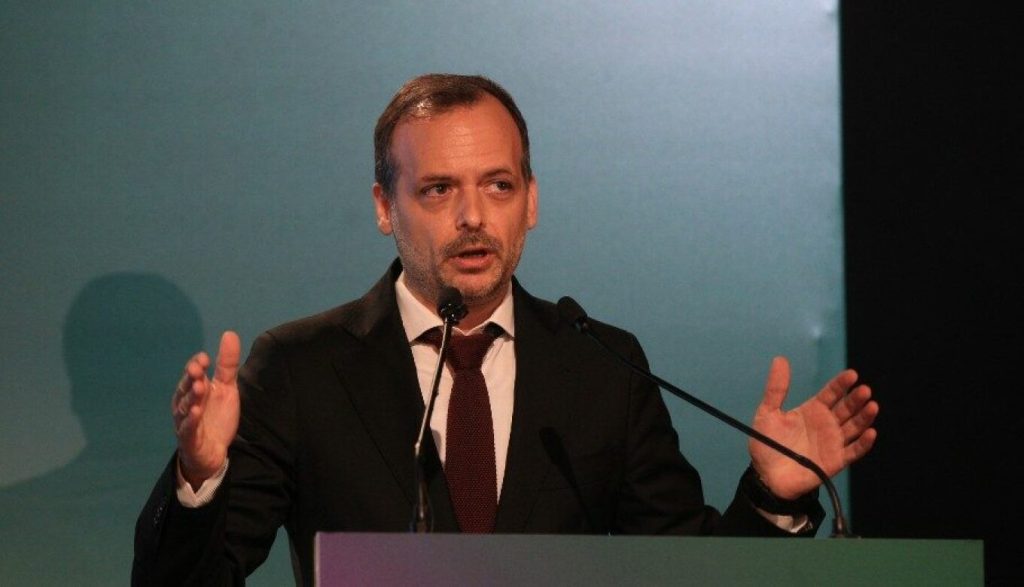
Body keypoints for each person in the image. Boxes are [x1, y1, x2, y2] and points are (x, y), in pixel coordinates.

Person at [132, 74, 879, 586]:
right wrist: (200, 479)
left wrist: (774, 496)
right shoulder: (302, 368)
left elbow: (688, 574)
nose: (473, 217)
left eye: (499, 185)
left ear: (532, 201)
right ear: (385, 207)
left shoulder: (602, 366)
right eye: (438, 189)